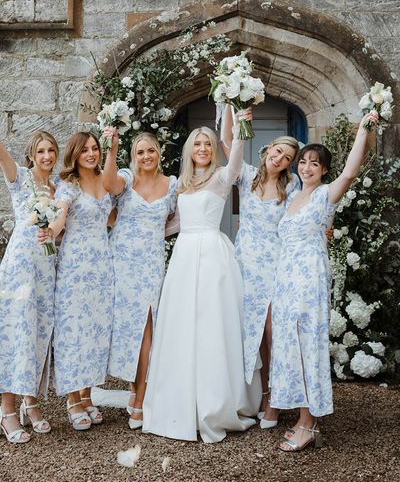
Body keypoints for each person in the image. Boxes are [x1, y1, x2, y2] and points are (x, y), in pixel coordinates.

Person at [143, 113, 261, 443]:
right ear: (189, 151)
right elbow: (175, 224)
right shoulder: (180, 184)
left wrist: (239, 125)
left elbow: (237, 156)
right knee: (182, 324)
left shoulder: (224, 176)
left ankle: (216, 400)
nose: (203, 147)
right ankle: (182, 398)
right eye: (197, 143)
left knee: (212, 325)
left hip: (213, 255)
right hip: (183, 256)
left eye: (207, 143)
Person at [270, 112, 378, 452]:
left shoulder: (325, 196)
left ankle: (308, 422)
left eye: (314, 164)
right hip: (286, 280)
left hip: (308, 279)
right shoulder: (290, 197)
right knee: (290, 346)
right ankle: (305, 419)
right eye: (303, 162)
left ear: (324, 170)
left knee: (307, 347)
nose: (307, 168)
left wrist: (364, 129)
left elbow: (351, 171)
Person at [221, 106, 300, 429]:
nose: (280, 159)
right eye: (278, 152)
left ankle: (275, 400)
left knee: (272, 333)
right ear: (268, 149)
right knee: (247, 333)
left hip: (276, 265)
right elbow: (227, 142)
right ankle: (256, 397)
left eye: (286, 158)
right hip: (245, 266)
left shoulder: (291, 185)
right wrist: (230, 104)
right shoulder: (246, 174)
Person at [102, 129, 177, 430]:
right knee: (126, 329)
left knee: (147, 329)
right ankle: (133, 388)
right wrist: (112, 148)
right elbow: (108, 185)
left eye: (151, 151)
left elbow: (177, 220)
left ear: (159, 154)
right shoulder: (126, 179)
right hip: (121, 262)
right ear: (134, 157)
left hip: (150, 264)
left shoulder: (173, 186)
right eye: (140, 152)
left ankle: (140, 397)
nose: (146, 156)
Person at [40, 132, 114, 431]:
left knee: (97, 331)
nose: (91, 154)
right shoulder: (68, 186)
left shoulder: (106, 182)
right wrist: (51, 231)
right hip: (75, 266)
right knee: (74, 331)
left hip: (102, 265)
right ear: (75, 153)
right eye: (85, 150)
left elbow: (112, 219)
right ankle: (72, 398)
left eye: (95, 148)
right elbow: (59, 218)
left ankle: (87, 395)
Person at [0, 131, 59, 443]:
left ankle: (30, 403)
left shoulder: (57, 188)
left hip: (46, 269)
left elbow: (60, 231)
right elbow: (2, 154)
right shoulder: (19, 177)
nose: (46, 156)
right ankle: (7, 411)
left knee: (38, 334)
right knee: (15, 334)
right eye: (41, 151)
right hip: (19, 270)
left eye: (51, 150)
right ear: (31, 155)